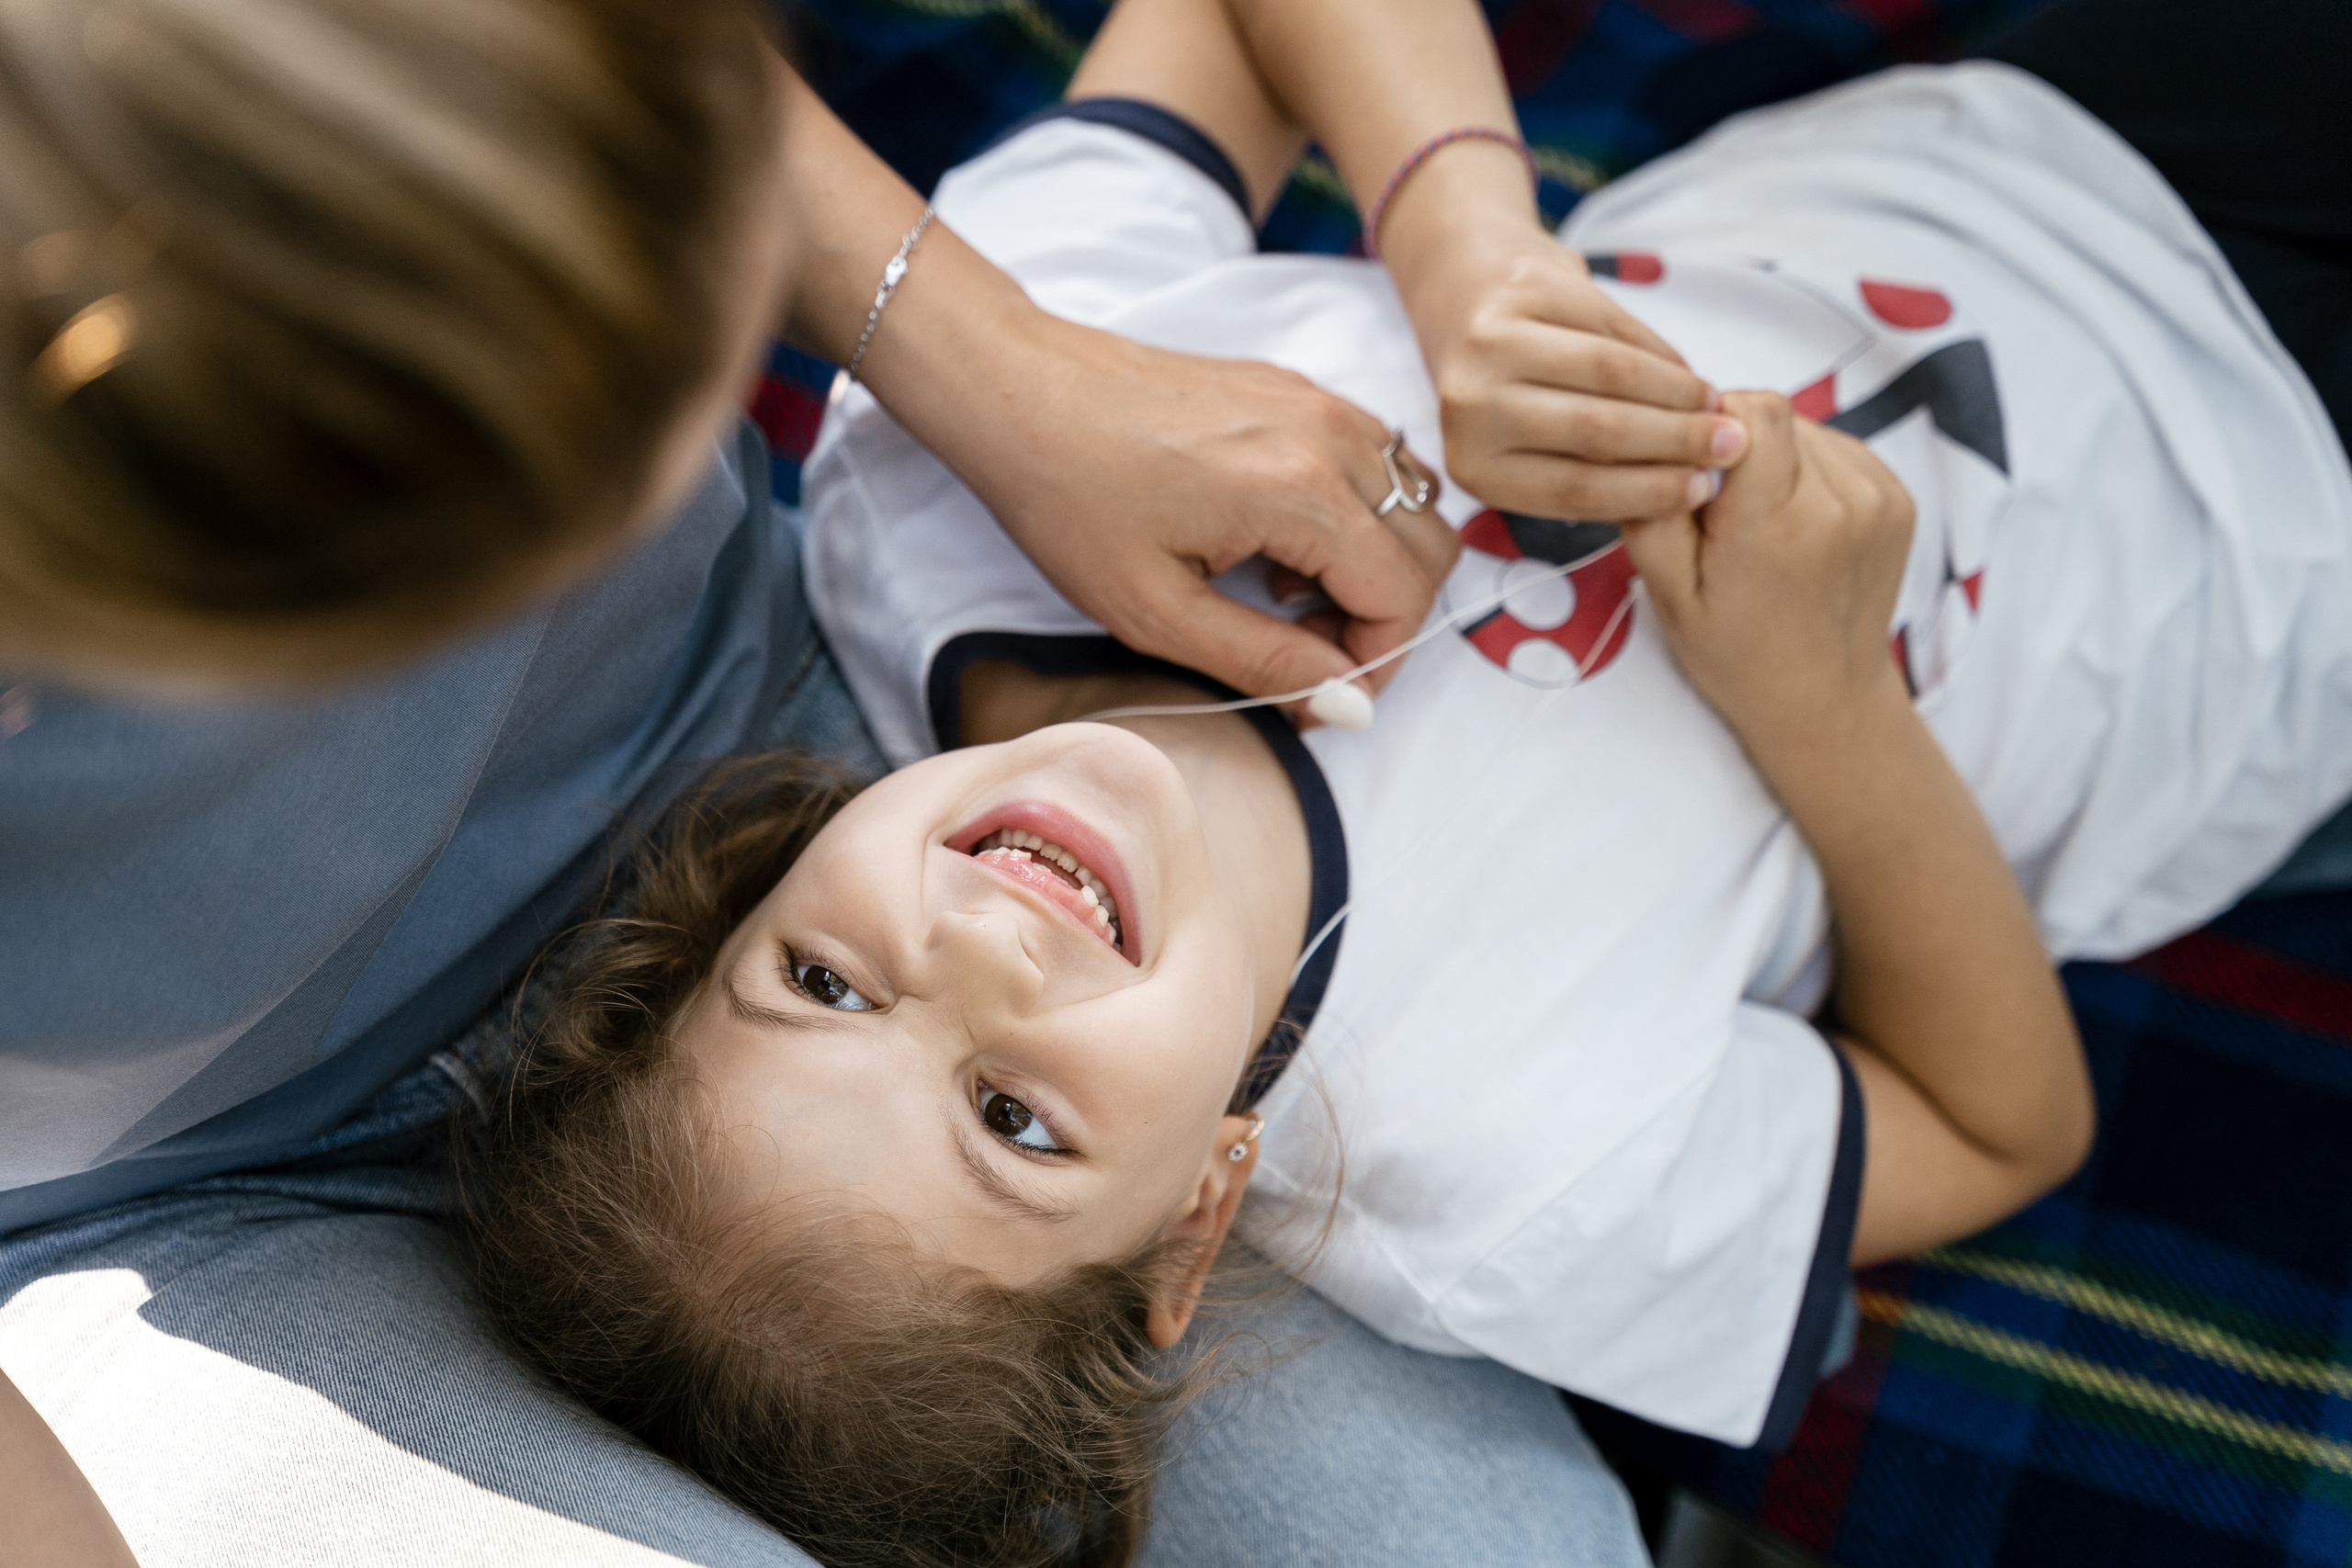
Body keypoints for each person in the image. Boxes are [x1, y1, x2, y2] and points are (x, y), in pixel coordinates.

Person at [454, 0, 2352, 1560]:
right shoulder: (1515, 1180)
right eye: (1014, 1120)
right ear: (1196, 1218)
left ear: (750, 875)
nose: (978, 955)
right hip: (2273, 579)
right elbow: (2000, 1119)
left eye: (825, 982)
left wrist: (1460, 249)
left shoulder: (928, 481)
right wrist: (1820, 701)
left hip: (2015, 151)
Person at [1, 0, 1723, 1561]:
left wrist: (998, 371)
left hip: (774, 749)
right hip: (197, 1218)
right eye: (1010, 1117)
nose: (985, 953)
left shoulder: (899, 645)